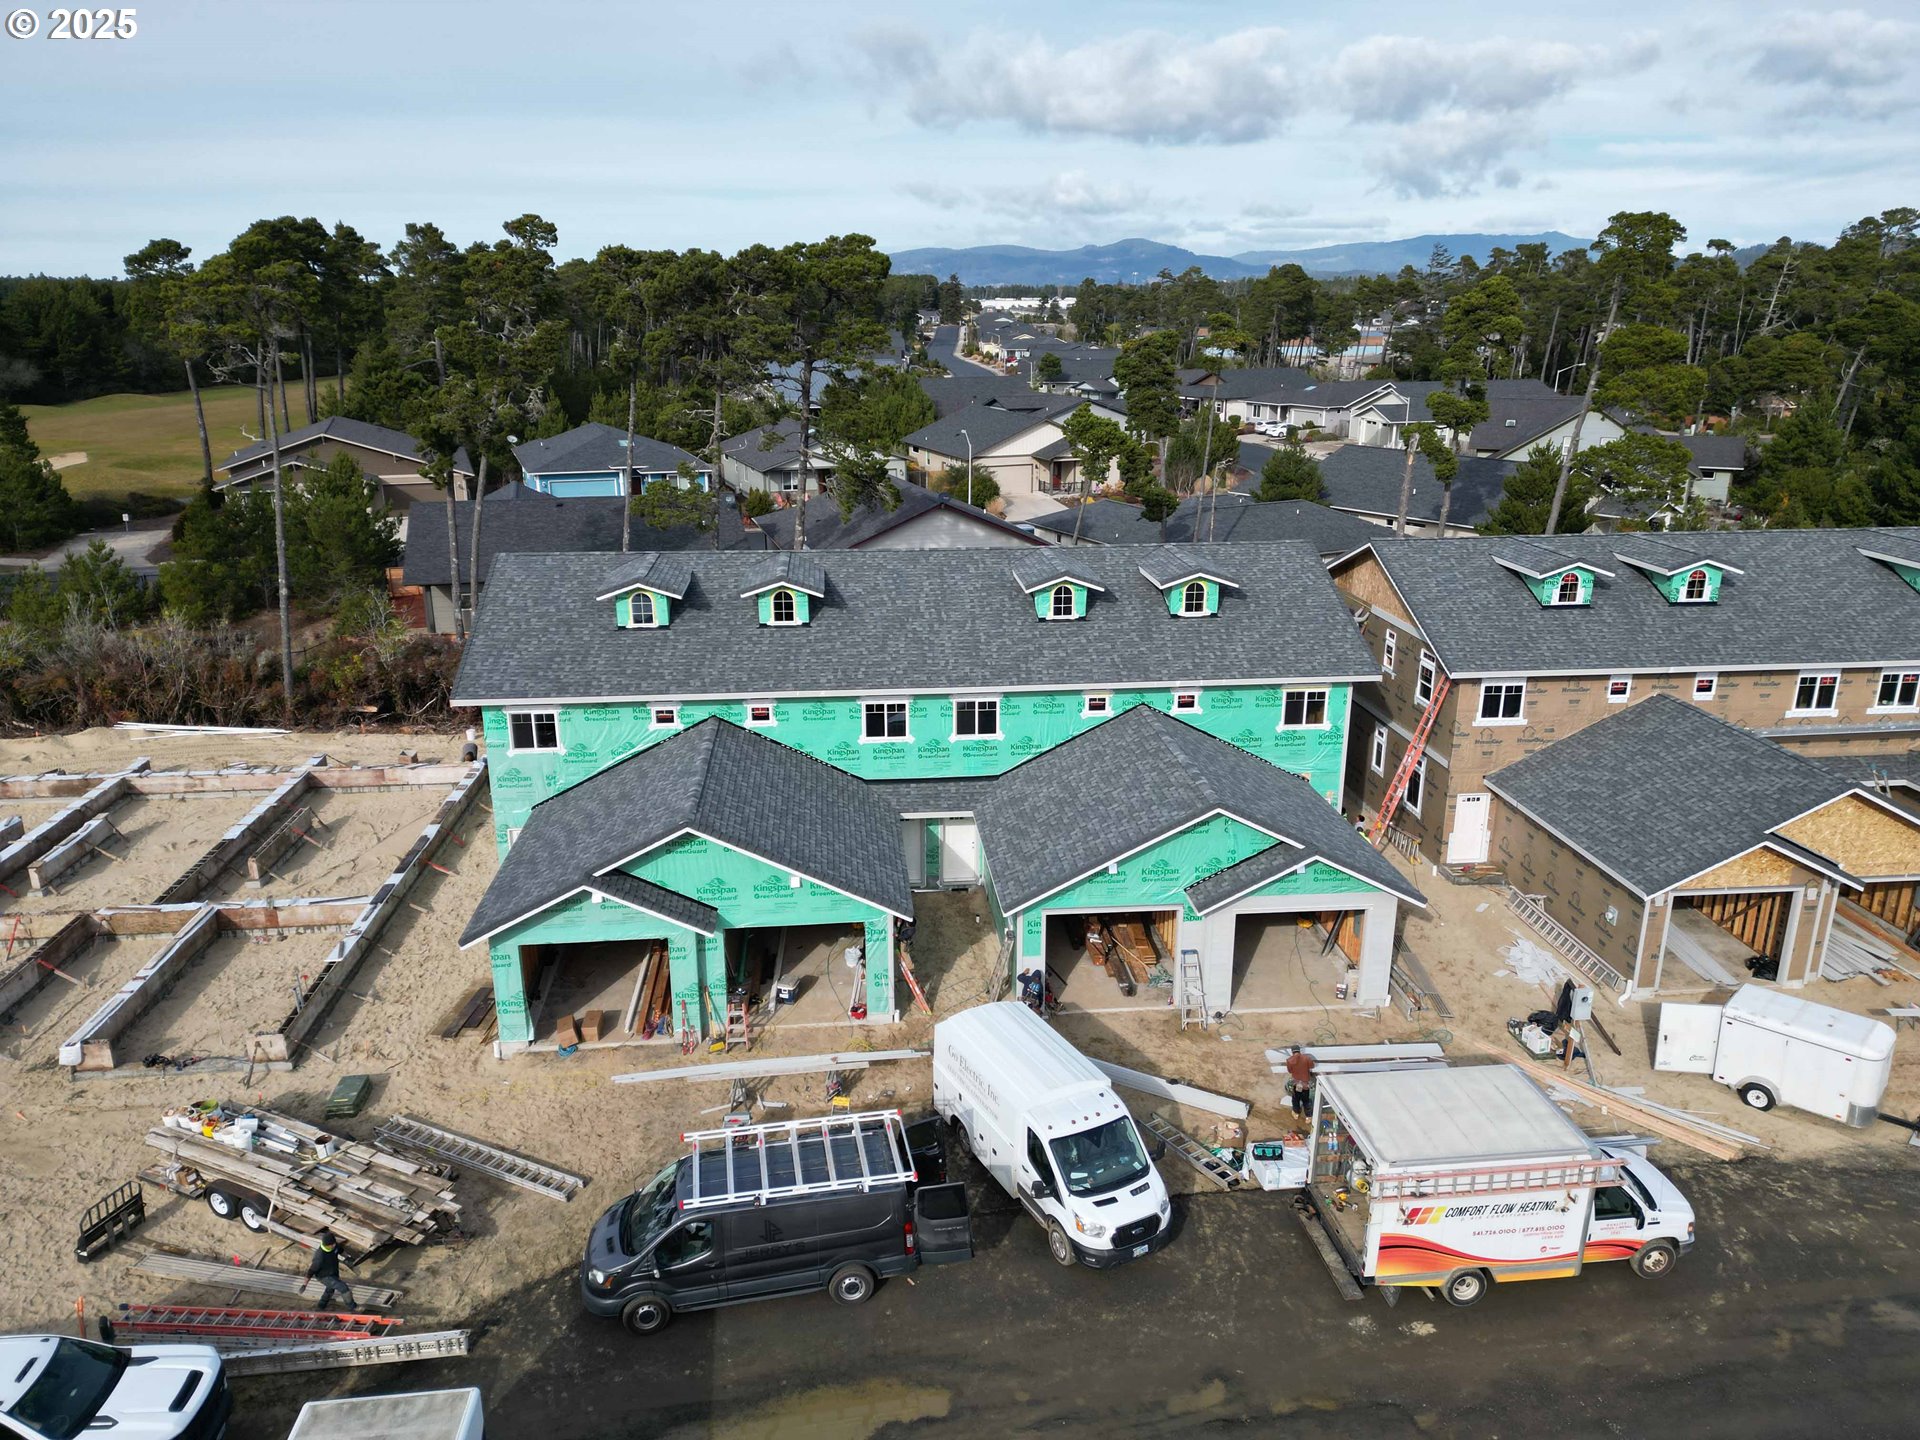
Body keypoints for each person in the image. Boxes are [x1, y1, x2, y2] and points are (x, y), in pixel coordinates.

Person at [307, 1229, 356, 1311]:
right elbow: (311, 1270)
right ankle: (353, 1307)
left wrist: (347, 1257)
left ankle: (321, 1306)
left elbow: (340, 1250)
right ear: (327, 1245)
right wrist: (305, 1284)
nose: (333, 1246)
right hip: (324, 1276)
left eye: (334, 1244)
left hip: (333, 1272)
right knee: (344, 1288)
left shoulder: (334, 1245)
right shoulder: (320, 1256)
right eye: (331, 1245)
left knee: (330, 1289)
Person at [1284, 1046, 1317, 1120]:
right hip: (1305, 1084)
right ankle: (1308, 1116)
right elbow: (1312, 1066)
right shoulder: (1306, 1058)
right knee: (1306, 1100)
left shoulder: (1289, 1060)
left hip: (1297, 1083)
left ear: (1292, 1052)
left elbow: (1290, 1071)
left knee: (1296, 1099)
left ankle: (1296, 1113)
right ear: (1299, 1051)